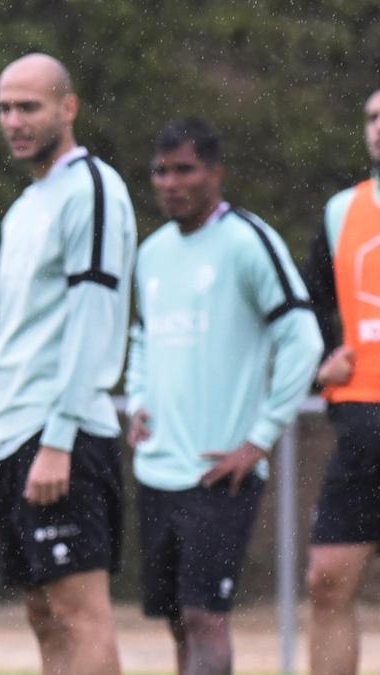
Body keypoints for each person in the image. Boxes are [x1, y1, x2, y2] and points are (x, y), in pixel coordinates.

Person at [0, 53, 136, 675]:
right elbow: (17, 339)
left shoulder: (93, 189)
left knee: (79, 611)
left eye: (29, 106)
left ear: (68, 108)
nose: (15, 120)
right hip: (17, 434)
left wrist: (58, 441)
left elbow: (94, 320)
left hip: (66, 434)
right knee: (41, 612)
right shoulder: (24, 207)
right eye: (5, 107)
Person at [126, 118, 322, 674]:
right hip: (158, 470)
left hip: (218, 473)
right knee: (177, 621)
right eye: (160, 171)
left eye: (184, 169)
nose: (170, 182)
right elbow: (141, 338)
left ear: (216, 173)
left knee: (206, 616)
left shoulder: (247, 240)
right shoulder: (153, 253)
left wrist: (258, 440)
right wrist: (139, 398)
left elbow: (302, 339)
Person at [303, 86, 380, 675]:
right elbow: (313, 308)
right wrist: (322, 357)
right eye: (372, 116)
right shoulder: (339, 211)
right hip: (360, 424)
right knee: (326, 580)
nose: (379, 127)